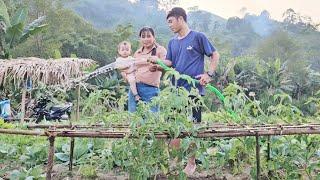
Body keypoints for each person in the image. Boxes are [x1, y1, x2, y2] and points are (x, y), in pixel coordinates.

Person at [165, 7, 220, 175]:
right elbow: (168, 62)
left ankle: (191, 162)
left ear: (180, 19)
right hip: (176, 93)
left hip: (194, 92)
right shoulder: (172, 42)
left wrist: (208, 74)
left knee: (193, 127)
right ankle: (175, 161)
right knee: (173, 127)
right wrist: (155, 64)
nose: (169, 25)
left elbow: (215, 55)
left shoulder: (198, 37)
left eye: (170, 21)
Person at [127, 27, 167, 113]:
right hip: (135, 89)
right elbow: (133, 69)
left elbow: (167, 66)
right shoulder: (137, 53)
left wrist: (157, 66)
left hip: (151, 89)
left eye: (149, 36)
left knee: (152, 118)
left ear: (154, 37)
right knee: (134, 117)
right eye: (143, 36)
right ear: (140, 39)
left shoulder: (160, 50)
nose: (146, 39)